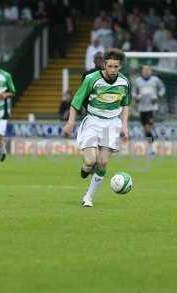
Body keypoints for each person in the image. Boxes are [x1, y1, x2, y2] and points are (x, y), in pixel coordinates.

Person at [62, 48, 130, 207]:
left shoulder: (124, 82)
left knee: (103, 163)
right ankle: (86, 168)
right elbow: (76, 102)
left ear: (120, 67)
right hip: (93, 122)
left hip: (112, 125)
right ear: (104, 65)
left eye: (116, 67)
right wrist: (70, 122)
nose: (113, 70)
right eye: (110, 66)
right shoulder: (91, 79)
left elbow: (125, 104)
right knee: (90, 161)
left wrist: (124, 125)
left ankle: (88, 197)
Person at [132, 65, 165, 148]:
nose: (146, 71)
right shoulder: (137, 81)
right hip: (142, 107)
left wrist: (158, 96)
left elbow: (162, 88)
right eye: (144, 70)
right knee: (145, 127)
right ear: (142, 71)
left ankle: (151, 144)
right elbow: (133, 91)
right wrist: (135, 97)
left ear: (151, 71)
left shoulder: (155, 80)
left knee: (148, 127)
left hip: (152, 107)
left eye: (148, 70)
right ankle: (151, 141)